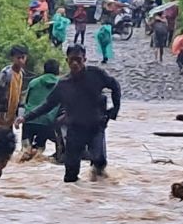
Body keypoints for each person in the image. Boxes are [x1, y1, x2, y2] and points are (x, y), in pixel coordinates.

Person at [23, 44, 121, 184]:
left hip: (96, 126)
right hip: (75, 129)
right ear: (67, 61)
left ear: (84, 59)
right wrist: (25, 117)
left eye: (78, 60)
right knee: (70, 174)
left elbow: (115, 85)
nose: (75, 64)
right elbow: (48, 105)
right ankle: (74, 200)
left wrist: (115, 109)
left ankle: (98, 194)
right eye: (72, 60)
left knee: (99, 161)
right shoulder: (63, 84)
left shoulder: (96, 74)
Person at [18, 59, 61, 161]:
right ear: (57, 71)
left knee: (25, 150)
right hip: (47, 122)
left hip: (29, 120)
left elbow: (25, 101)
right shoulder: (61, 84)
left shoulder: (34, 82)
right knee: (38, 150)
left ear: (44, 69)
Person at [0, 46, 29, 129]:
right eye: (18, 58)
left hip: (10, 118)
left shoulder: (22, 74)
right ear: (12, 58)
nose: (21, 60)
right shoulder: (6, 73)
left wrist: (19, 117)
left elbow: (20, 97)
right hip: (0, 116)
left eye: (23, 57)